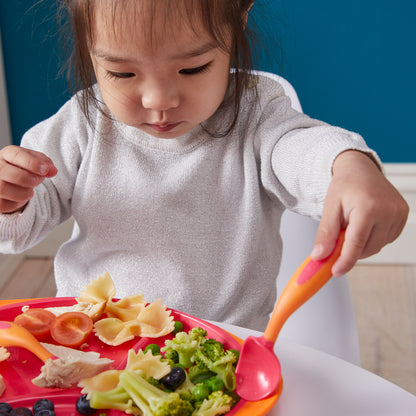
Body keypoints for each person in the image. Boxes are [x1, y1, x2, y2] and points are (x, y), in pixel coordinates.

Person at [0, 0, 408, 330]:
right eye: (121, 72)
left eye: (192, 68)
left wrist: (348, 165)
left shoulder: (257, 114)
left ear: (239, 18)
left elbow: (297, 148)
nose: (158, 100)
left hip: (222, 350)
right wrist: (12, 199)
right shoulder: (83, 122)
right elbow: (23, 224)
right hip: (89, 340)